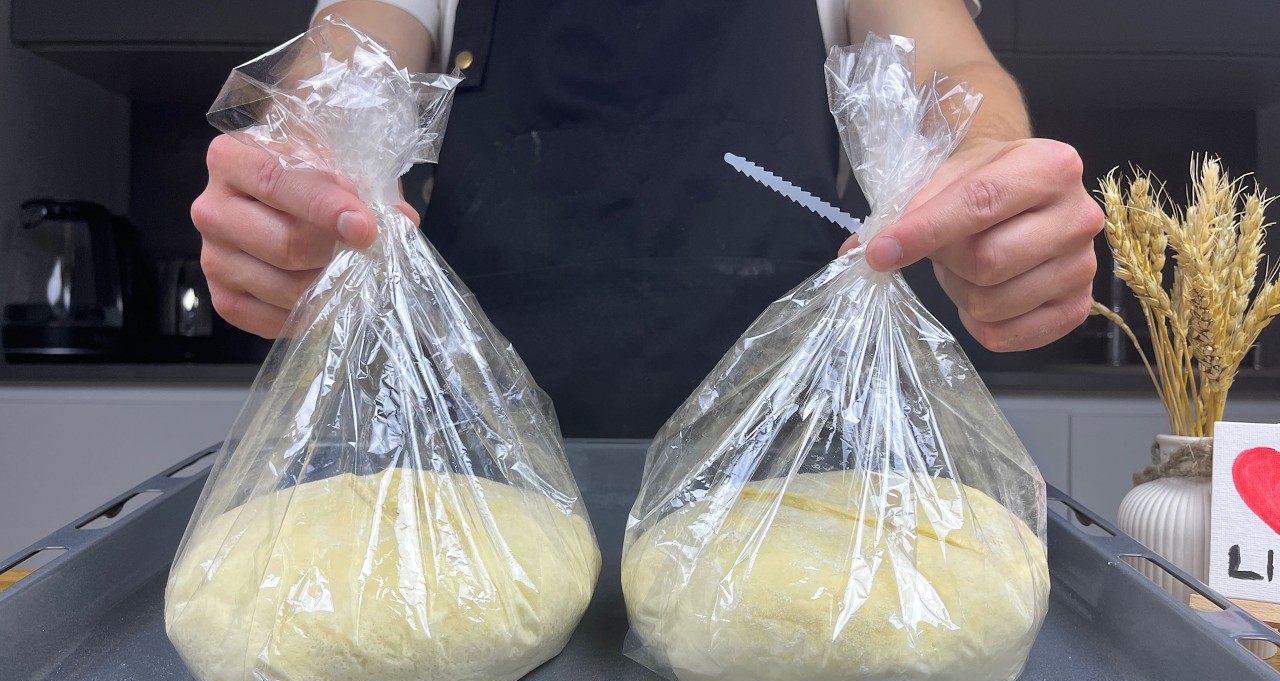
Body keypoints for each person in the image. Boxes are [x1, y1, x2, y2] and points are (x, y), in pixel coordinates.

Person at [191, 0, 1104, 436]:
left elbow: (941, 58)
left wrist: (981, 165)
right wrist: (296, 171)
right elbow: (348, 55)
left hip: (785, 463)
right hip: (475, 455)